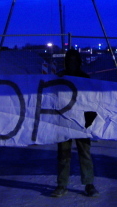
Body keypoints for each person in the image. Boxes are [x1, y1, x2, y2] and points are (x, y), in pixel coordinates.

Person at [50, 49, 99, 198]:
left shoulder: (84, 78)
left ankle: (89, 184)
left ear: (78, 62)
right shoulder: (60, 77)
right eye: (69, 61)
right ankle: (62, 185)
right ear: (66, 62)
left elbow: (91, 101)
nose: (72, 63)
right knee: (63, 155)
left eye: (74, 61)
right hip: (64, 122)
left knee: (85, 154)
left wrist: (89, 124)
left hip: (81, 122)